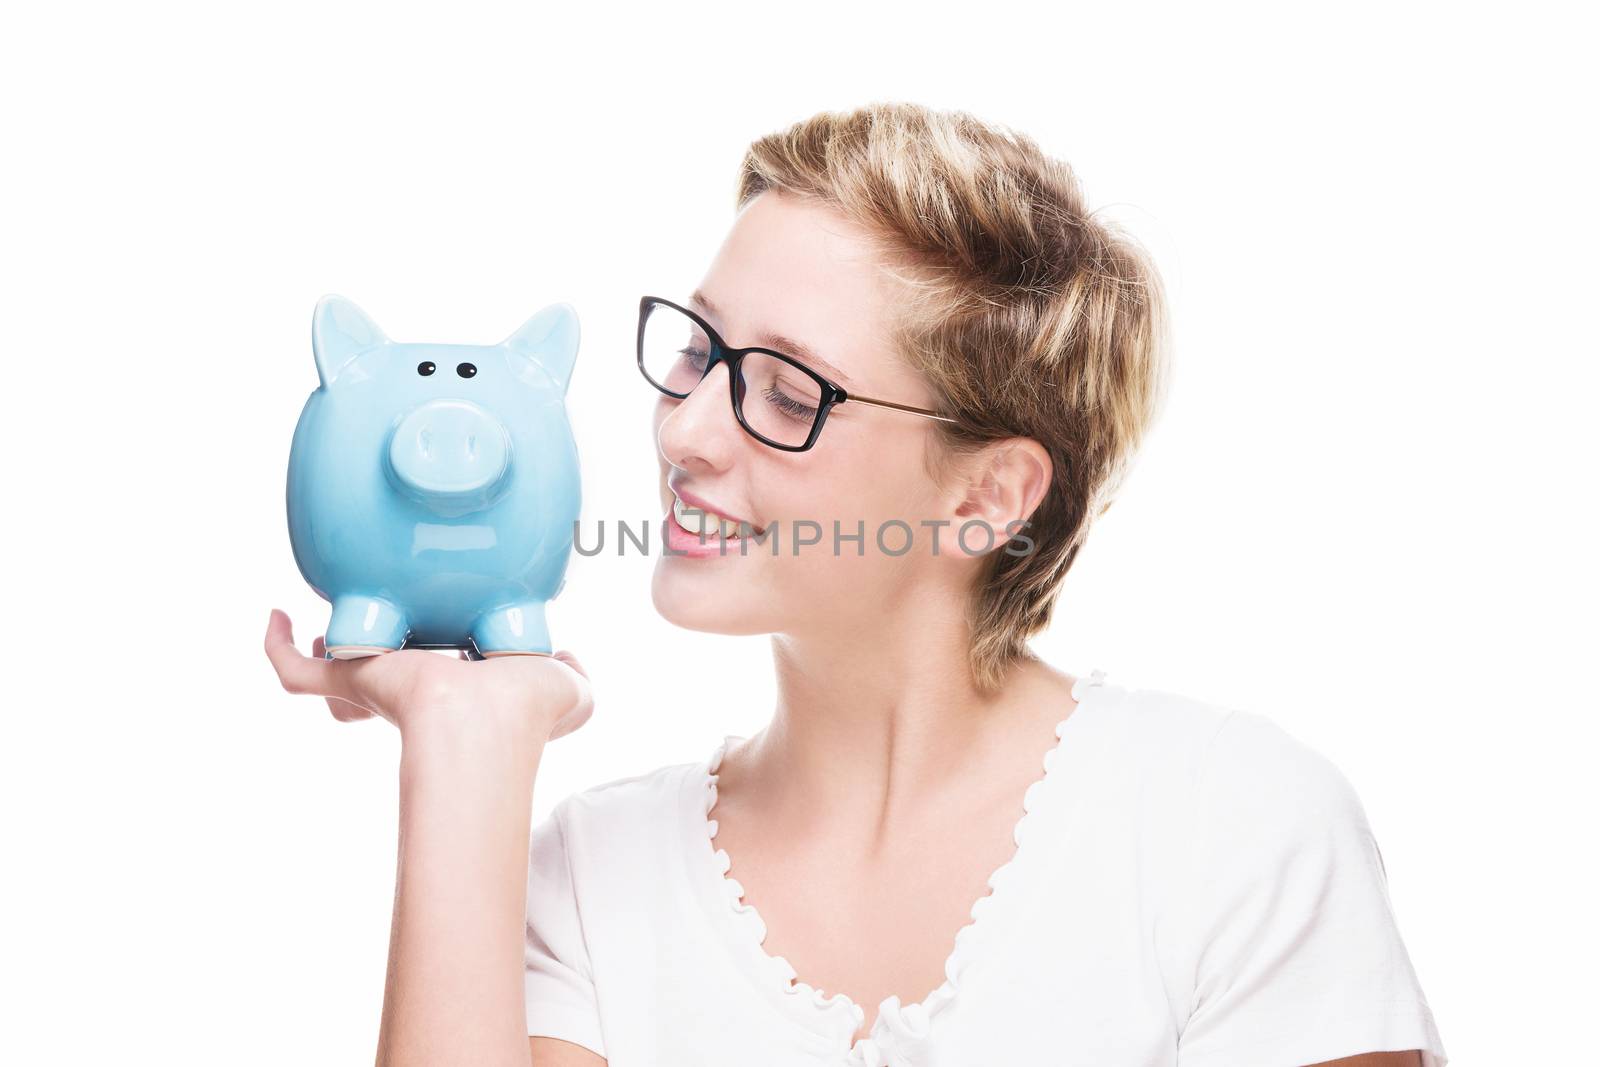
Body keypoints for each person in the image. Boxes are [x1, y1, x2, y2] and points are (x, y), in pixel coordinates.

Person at [264, 102, 1448, 1067]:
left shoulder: (1230, 830)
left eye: (784, 390)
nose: (684, 428)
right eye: (697, 349)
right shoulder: (595, 874)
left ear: (987, 494)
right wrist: (466, 737)